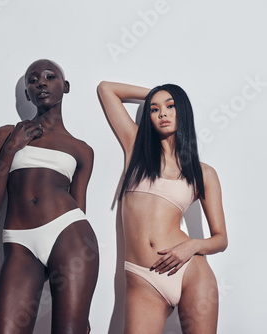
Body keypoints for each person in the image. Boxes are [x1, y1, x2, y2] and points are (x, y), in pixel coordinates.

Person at [97, 81, 228, 333]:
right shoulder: (135, 147)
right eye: (154, 109)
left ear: (183, 111)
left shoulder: (204, 173)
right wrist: (154, 93)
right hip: (142, 278)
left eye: (171, 106)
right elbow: (106, 89)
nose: (163, 113)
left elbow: (221, 239)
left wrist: (191, 246)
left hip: (191, 271)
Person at [0, 59, 99, 334]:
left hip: (70, 238)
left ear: (65, 86)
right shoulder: (5, 135)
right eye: (32, 80)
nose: (41, 83)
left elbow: (79, 208)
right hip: (19, 244)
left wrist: (80, 303)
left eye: (50, 76)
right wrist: (11, 148)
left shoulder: (82, 150)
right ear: (27, 94)